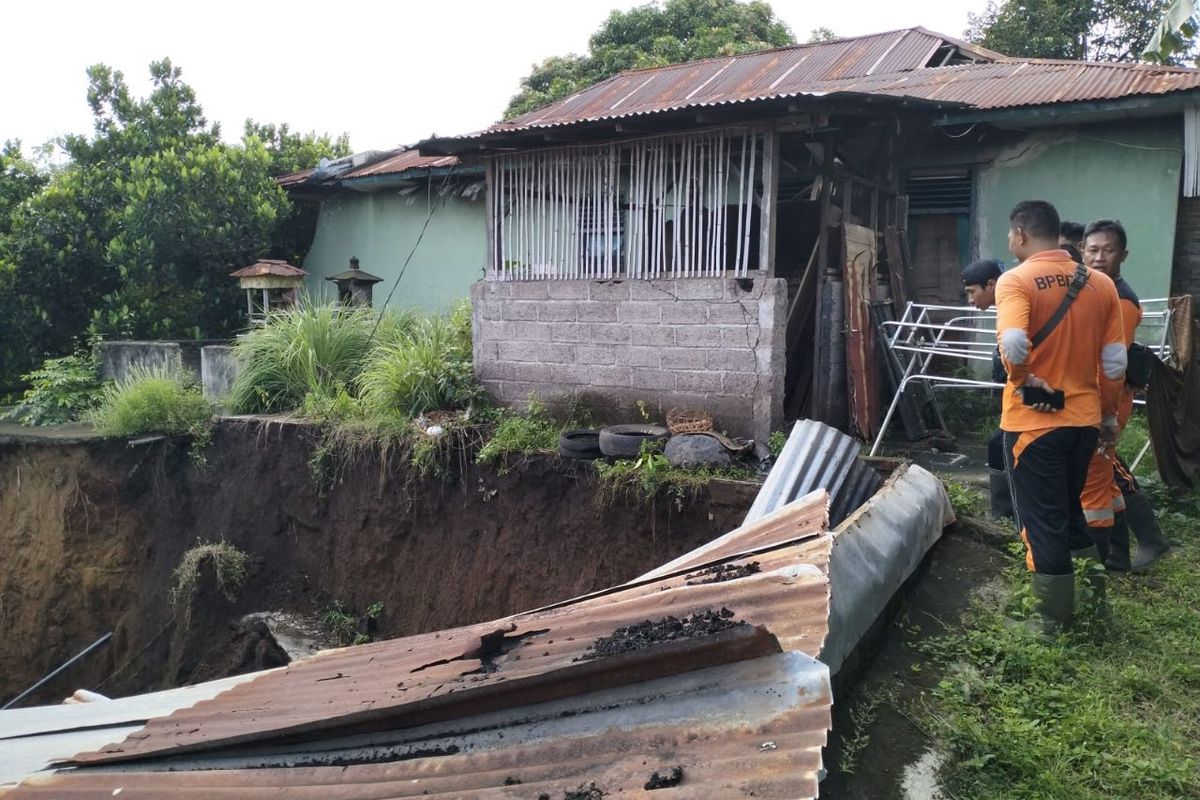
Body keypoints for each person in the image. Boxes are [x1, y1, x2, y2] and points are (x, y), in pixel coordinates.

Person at [996, 200, 1126, 636]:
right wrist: (1107, 415)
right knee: (1071, 512)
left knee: (1042, 521)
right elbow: (1113, 362)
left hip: (1034, 425)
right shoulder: (1101, 284)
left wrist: (1024, 378)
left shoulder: (1015, 280)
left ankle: (1049, 623)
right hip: (1085, 421)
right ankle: (1093, 601)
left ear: (1020, 234)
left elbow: (1014, 343)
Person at [1080, 220, 1172, 571]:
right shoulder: (1095, 289)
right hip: (1093, 395)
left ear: (1123, 254)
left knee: (1100, 472)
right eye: (1093, 250)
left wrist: (1104, 414)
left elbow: (1111, 364)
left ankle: (1111, 558)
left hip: (1109, 398)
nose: (1100, 257)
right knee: (1107, 472)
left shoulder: (1120, 300)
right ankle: (1127, 552)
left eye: (1108, 250)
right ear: (1082, 252)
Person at [962, 258, 1013, 518]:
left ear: (991, 285)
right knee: (999, 445)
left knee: (1000, 445)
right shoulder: (1005, 304)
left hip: (1026, 397)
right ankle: (1005, 513)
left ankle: (1006, 514)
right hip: (1016, 395)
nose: (970, 300)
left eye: (972, 292)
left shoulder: (1012, 304)